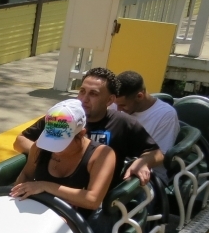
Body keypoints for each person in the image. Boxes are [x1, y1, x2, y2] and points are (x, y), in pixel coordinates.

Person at [13, 68, 163, 185]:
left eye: (93, 94)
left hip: (94, 197)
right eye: (82, 91)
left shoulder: (122, 123)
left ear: (110, 100)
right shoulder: (63, 116)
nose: (84, 99)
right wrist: (50, 150)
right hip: (46, 188)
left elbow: (156, 152)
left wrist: (143, 162)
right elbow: (20, 141)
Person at [10, 99, 115, 212]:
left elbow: (92, 200)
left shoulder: (102, 155)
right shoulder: (40, 147)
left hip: (78, 220)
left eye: (61, 141)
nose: (53, 148)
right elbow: (26, 174)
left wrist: (45, 186)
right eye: (50, 139)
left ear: (81, 133)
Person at [114, 70, 179, 182]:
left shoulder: (165, 115)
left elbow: (161, 155)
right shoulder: (116, 105)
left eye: (122, 105)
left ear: (139, 96)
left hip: (148, 177)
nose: (118, 109)